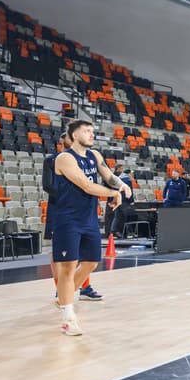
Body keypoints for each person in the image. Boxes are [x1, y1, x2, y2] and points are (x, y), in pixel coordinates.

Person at [53, 119, 132, 335]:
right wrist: (113, 193)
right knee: (69, 266)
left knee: (91, 263)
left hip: (88, 218)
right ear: (74, 135)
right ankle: (68, 317)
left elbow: (108, 176)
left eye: (92, 131)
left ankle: (65, 297)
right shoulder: (64, 158)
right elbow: (87, 186)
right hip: (68, 218)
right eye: (86, 131)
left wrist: (121, 185)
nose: (91, 134)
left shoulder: (95, 155)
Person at [43, 132, 103, 302]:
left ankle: (85, 287)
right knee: (58, 252)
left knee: (85, 252)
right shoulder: (52, 160)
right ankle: (59, 288)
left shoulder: (85, 159)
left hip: (83, 211)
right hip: (60, 208)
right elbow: (47, 185)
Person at [109, 169, 137, 238]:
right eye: (131, 174)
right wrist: (131, 201)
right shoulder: (127, 180)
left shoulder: (117, 179)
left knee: (117, 217)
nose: (132, 175)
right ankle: (129, 233)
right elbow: (129, 191)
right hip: (124, 201)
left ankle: (112, 232)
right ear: (128, 174)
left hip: (117, 200)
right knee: (128, 216)